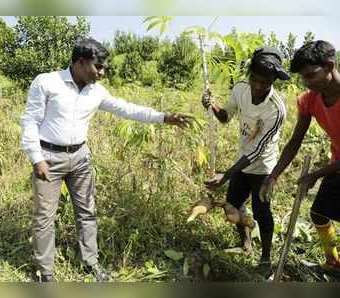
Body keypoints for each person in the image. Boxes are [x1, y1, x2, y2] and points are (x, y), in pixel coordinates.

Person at [20, 37, 192, 282]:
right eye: (97, 66)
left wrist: (164, 117)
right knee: (45, 217)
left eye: (103, 67)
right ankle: (44, 273)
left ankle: (90, 262)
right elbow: (30, 120)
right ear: (80, 62)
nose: (102, 72)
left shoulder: (96, 92)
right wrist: (37, 159)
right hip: (49, 158)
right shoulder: (47, 82)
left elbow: (126, 108)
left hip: (80, 157)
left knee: (87, 212)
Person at [202, 46, 289, 277]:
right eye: (255, 80)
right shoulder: (240, 89)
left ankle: (266, 256)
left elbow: (258, 151)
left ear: (273, 81)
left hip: (262, 167)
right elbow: (225, 117)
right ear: (249, 75)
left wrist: (225, 175)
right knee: (233, 205)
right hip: (241, 163)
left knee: (262, 212)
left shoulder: (276, 109)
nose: (259, 87)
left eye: (266, 83)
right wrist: (212, 105)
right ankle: (246, 244)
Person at [260, 40, 340, 273]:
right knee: (320, 212)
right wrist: (273, 176)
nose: (306, 82)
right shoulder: (310, 99)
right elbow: (295, 141)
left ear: (329, 65)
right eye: (303, 77)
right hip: (336, 165)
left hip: (332, 167)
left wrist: (315, 175)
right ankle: (333, 262)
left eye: (310, 75)